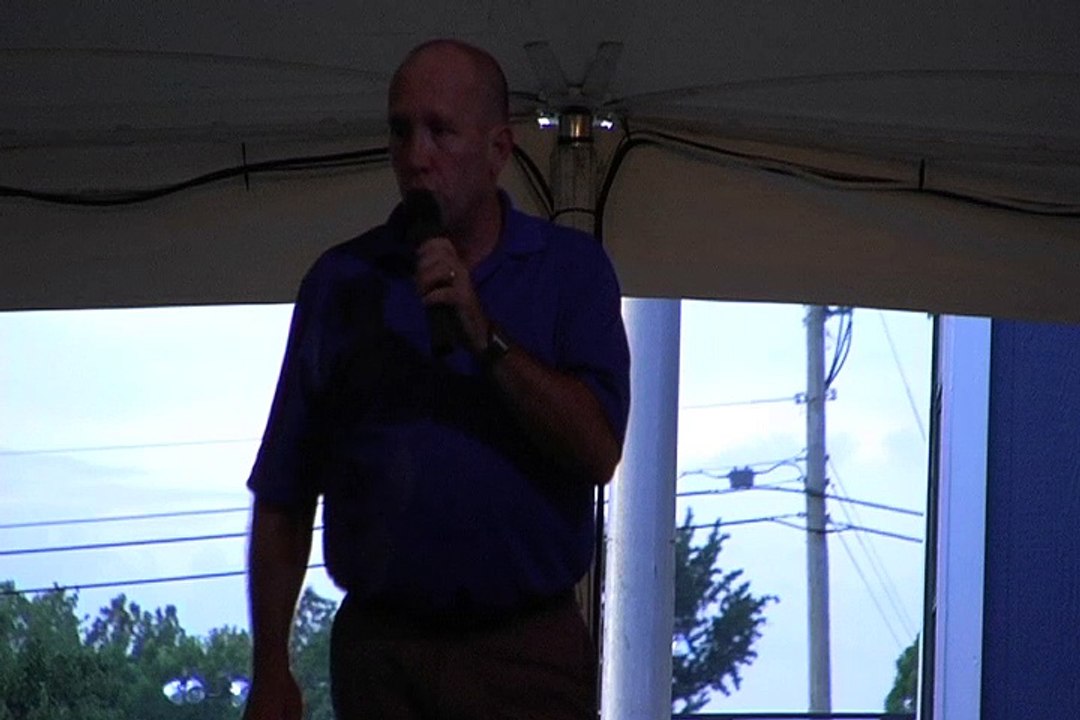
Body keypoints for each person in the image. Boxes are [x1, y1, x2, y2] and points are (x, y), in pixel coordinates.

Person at [242, 38, 630, 720]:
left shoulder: (569, 271)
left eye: (440, 131)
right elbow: (285, 490)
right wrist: (270, 666)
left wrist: (486, 336)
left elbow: (598, 451)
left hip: (524, 653)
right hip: (382, 653)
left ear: (499, 148)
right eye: (401, 131)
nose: (416, 156)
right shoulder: (342, 283)